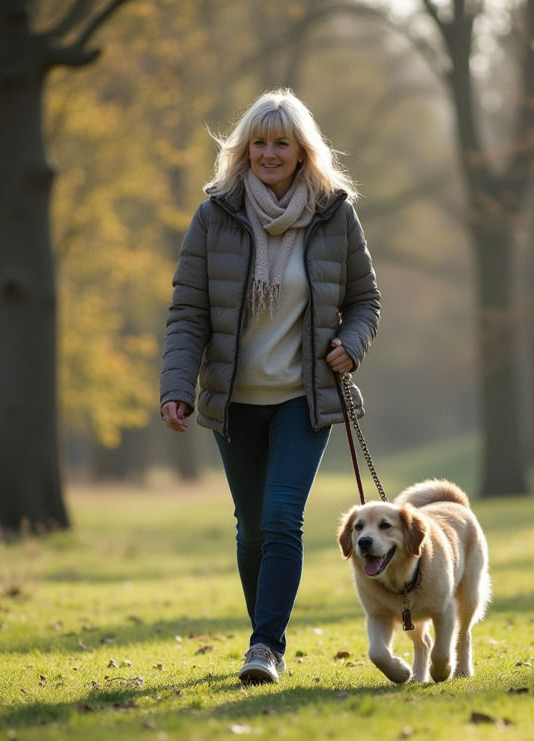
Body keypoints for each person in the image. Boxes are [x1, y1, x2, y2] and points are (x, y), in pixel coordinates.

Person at [159, 89, 380, 684]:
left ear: (303, 151)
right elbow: (188, 312)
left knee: (282, 516)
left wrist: (349, 345)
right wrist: (177, 386)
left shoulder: (334, 214)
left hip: (304, 399)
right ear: (244, 149)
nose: (268, 153)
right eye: (259, 142)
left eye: (281, 142)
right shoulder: (216, 215)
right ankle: (263, 632)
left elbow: (364, 301)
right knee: (252, 526)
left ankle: (265, 646)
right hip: (234, 401)